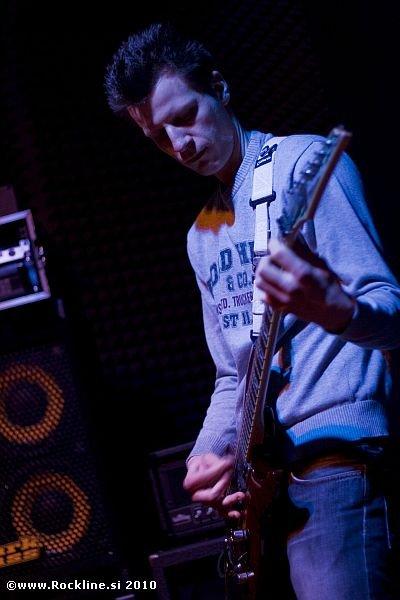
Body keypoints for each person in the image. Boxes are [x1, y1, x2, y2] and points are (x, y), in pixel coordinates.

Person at [104, 22, 400, 598]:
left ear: (219, 87)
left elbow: (389, 308)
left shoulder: (304, 163)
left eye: (185, 116)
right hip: (266, 481)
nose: (181, 144)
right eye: (159, 137)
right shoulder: (202, 235)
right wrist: (207, 457)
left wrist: (339, 311)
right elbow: (232, 374)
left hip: (335, 455)